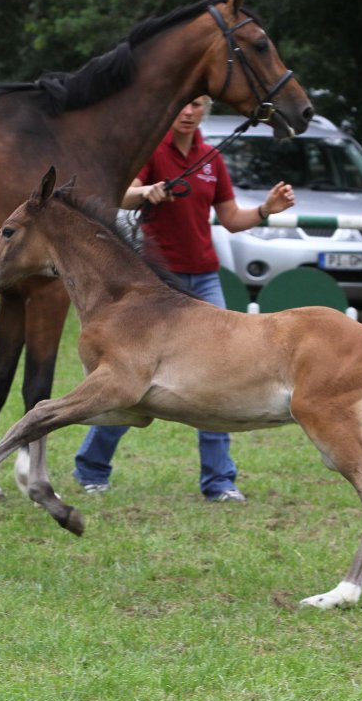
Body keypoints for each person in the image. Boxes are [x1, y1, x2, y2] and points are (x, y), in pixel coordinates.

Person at [72, 96, 295, 502]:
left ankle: (220, 482)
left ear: (205, 110)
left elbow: (230, 219)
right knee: (130, 381)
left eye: (197, 105)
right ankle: (92, 468)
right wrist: (148, 192)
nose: (189, 112)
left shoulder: (211, 157)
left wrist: (265, 209)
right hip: (158, 286)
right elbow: (122, 195)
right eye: (183, 104)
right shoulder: (152, 151)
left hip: (205, 278)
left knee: (220, 376)